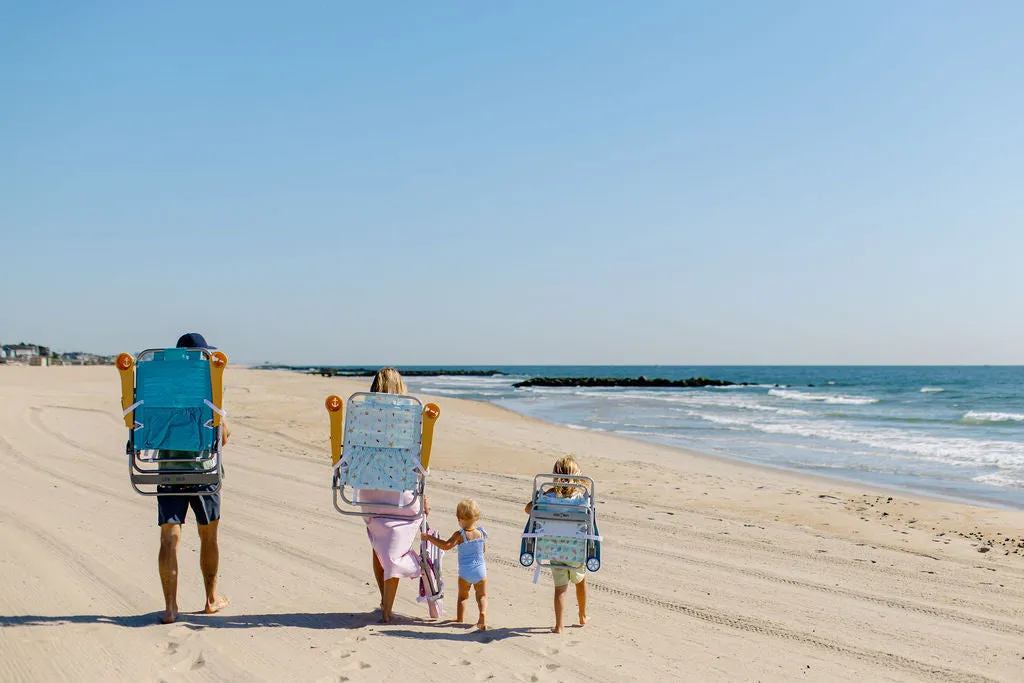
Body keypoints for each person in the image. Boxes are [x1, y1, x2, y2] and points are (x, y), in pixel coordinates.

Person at [156, 332, 230, 624]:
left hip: (169, 472)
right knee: (208, 535)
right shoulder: (208, 389)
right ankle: (211, 599)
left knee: (168, 540)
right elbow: (222, 437)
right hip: (203, 471)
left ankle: (171, 607)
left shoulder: (158, 391)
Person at [363, 367, 430, 623]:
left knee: (379, 543)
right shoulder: (410, 418)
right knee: (392, 549)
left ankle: (384, 601)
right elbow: (419, 463)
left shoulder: (363, 418)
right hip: (402, 497)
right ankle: (387, 609)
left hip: (369, 495)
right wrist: (424, 495)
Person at [524, 455, 589, 633]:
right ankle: (582, 615)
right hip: (575, 552)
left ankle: (559, 626)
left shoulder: (547, 496)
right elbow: (588, 520)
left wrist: (540, 497)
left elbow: (528, 509)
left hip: (553, 550)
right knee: (581, 581)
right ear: (577, 478)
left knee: (560, 589)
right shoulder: (580, 499)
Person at [421, 499, 488, 630]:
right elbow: (483, 549)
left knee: (463, 597)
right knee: (482, 596)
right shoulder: (481, 533)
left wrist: (429, 537)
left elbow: (446, 546)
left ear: (459, 519)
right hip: (481, 571)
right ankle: (482, 613)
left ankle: (460, 618)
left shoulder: (460, 534)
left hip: (465, 572)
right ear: (477, 518)